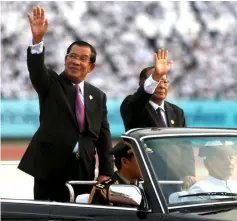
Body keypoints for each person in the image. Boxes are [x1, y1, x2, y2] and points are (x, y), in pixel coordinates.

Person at [18, 6, 113, 202]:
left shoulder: (98, 96)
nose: (76, 62)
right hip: (50, 170)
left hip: (84, 172)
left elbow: (103, 136)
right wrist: (37, 41)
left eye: (83, 59)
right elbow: (36, 71)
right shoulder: (51, 84)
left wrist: (105, 172)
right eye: (72, 56)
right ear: (65, 60)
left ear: (91, 67)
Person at [120, 49, 195, 199]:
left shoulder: (176, 111)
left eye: (165, 81)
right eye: (158, 81)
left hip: (176, 180)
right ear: (142, 84)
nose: (162, 85)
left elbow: (185, 144)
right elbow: (138, 100)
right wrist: (155, 76)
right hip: (147, 178)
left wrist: (189, 173)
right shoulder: (133, 105)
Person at [169, 140, 237, 203]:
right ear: (207, 163)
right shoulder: (201, 189)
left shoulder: (235, 185)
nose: (229, 162)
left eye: (231, 158)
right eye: (222, 158)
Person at [88, 140, 143, 205]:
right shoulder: (103, 191)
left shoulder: (148, 185)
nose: (146, 164)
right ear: (125, 162)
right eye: (140, 159)